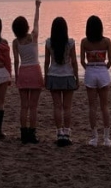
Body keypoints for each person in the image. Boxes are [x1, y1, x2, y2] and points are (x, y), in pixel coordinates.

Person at [12, 0, 44, 144]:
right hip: (35, 72)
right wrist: (37, 7)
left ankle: (24, 134)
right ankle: (33, 134)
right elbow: (36, 22)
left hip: (23, 72)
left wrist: (17, 76)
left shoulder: (15, 42)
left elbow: (16, 61)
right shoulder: (33, 37)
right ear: (25, 27)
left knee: (24, 106)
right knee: (33, 107)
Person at [44, 17, 79, 146]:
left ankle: (59, 133)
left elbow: (47, 62)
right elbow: (74, 61)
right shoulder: (70, 43)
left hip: (53, 75)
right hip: (68, 76)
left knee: (57, 106)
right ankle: (67, 133)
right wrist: (76, 77)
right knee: (67, 107)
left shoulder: (49, 42)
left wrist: (45, 76)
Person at [80, 15, 111, 147]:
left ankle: (94, 138)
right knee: (104, 106)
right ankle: (106, 139)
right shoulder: (106, 41)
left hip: (90, 71)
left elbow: (82, 61)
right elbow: (110, 61)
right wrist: (104, 68)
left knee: (92, 107)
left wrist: (88, 69)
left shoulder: (84, 42)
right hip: (102, 71)